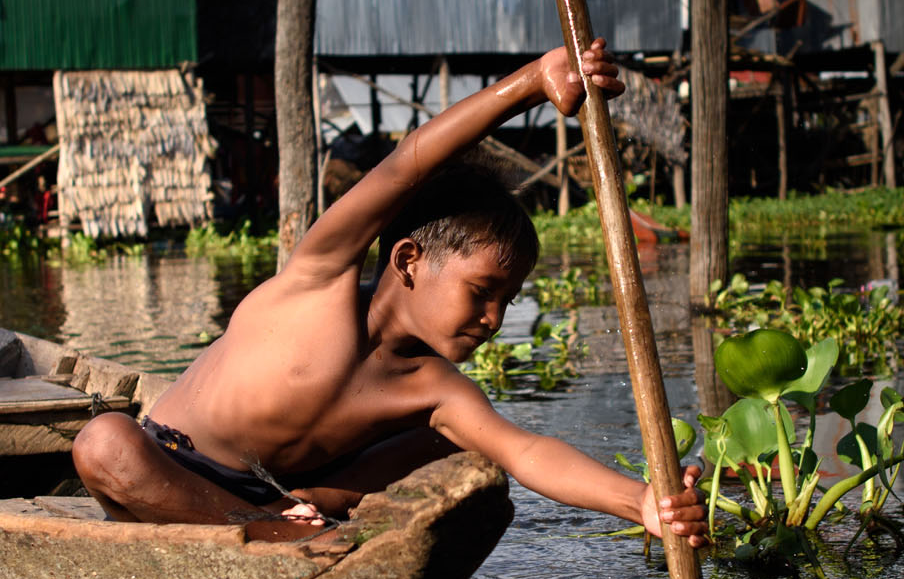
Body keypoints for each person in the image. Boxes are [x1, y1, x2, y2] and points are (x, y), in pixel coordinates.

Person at [71, 39, 707, 546]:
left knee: (463, 434)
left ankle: (306, 511)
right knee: (104, 442)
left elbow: (527, 451)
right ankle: (260, 534)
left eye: (506, 302)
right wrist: (532, 82)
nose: (493, 319)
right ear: (408, 259)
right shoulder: (319, 279)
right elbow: (409, 164)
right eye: (482, 291)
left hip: (280, 498)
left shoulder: (431, 385)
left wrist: (643, 500)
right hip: (175, 472)